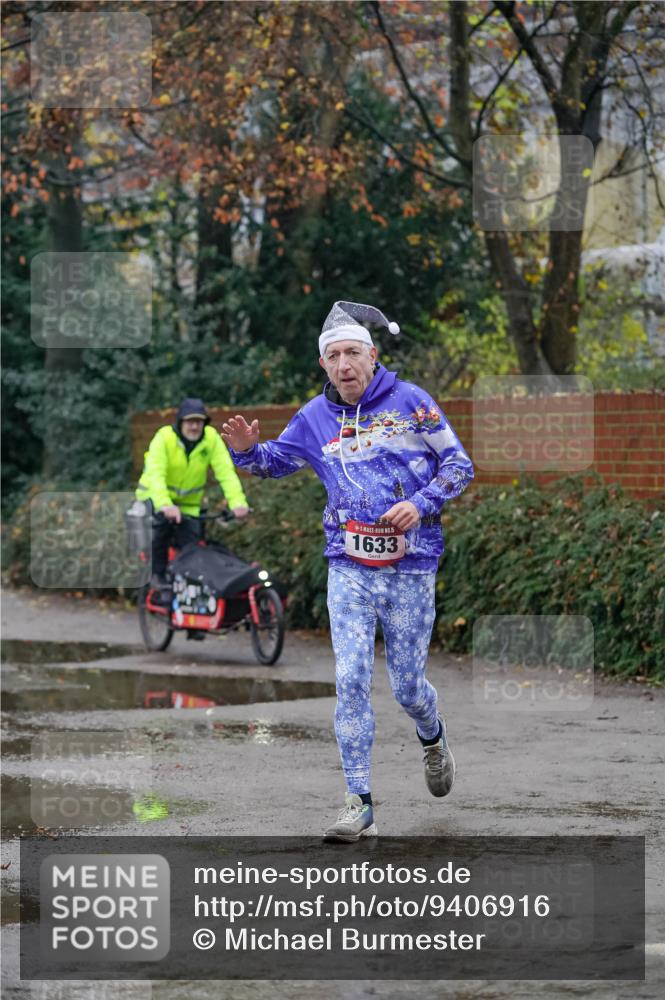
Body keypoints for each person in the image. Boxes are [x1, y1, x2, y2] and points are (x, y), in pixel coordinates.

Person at [221, 302, 474, 843]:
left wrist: (423, 502)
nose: (343, 364)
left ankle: (432, 737)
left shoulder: (413, 404)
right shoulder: (314, 417)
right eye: (333, 356)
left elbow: (459, 465)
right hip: (348, 564)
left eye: (353, 353)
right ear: (324, 365)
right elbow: (273, 461)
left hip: (412, 564)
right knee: (350, 679)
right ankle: (358, 802)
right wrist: (246, 451)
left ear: (373, 355)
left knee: (407, 687)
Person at [136, 397, 249, 587]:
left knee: (193, 547)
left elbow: (226, 472)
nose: (195, 426)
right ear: (180, 422)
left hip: (188, 505)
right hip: (154, 498)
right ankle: (157, 575)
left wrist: (238, 502)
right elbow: (156, 474)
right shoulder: (164, 438)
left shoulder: (211, 439)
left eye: (199, 422)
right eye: (190, 421)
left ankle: (187, 586)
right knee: (161, 529)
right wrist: (165, 504)